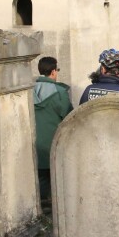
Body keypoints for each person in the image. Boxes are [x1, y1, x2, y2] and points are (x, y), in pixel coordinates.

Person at [33, 57, 73, 201]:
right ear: (54, 71)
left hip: (32, 147)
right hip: (53, 147)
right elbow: (69, 119)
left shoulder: (27, 90)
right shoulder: (60, 92)